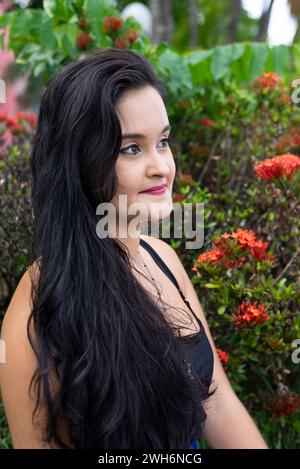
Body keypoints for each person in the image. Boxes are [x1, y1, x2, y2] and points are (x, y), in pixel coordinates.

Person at [0, 48, 268, 449]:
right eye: (131, 148)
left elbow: (219, 404)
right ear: (80, 162)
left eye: (163, 141)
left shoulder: (165, 262)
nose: (161, 166)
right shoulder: (42, 302)